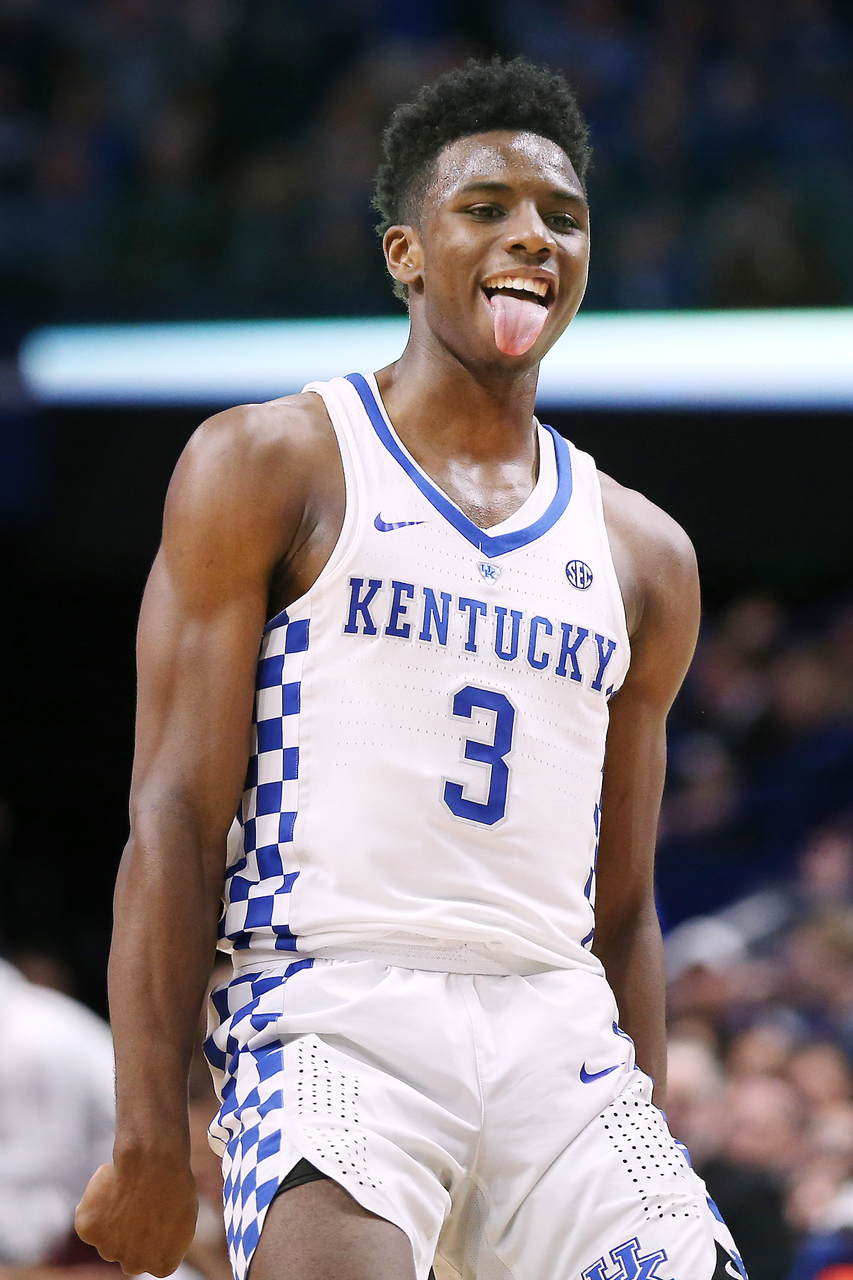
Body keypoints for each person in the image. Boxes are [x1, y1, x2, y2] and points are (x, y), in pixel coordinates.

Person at [76, 58, 748, 1280]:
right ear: (404, 251)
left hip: (556, 1035)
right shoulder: (274, 461)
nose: (531, 236)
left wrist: (638, 1123)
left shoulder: (644, 552)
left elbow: (626, 907)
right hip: (331, 1012)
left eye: (562, 215)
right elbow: (174, 811)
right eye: (485, 207)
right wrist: (149, 1129)